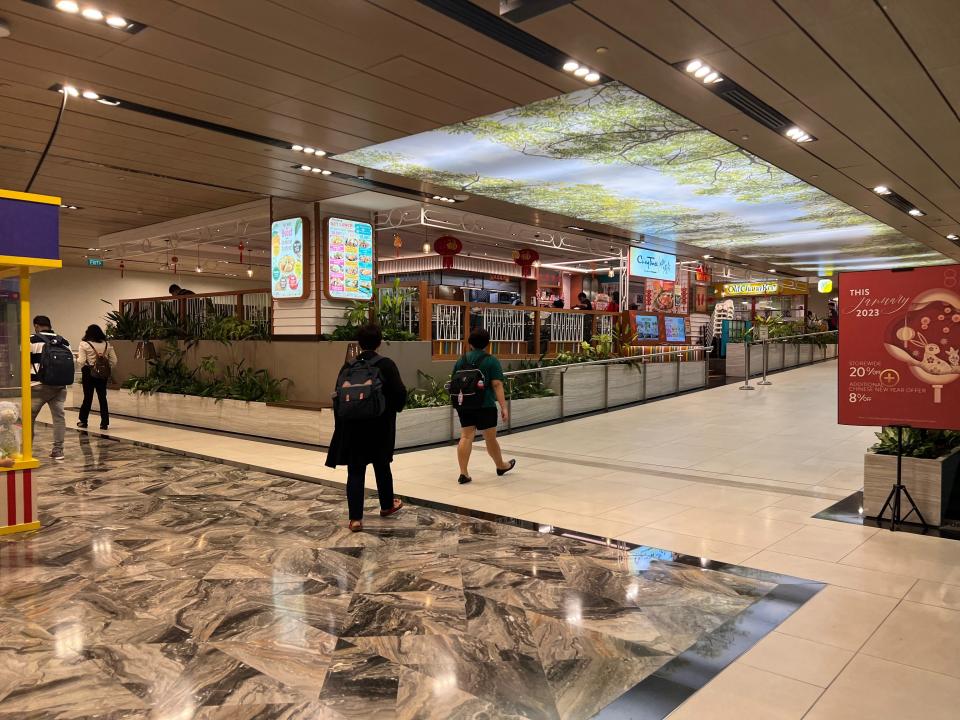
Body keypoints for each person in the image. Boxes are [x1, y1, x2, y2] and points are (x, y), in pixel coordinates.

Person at [325, 324, 406, 532]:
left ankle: (355, 519)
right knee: (382, 465)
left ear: (359, 343)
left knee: (355, 470)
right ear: (379, 342)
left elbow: (338, 397)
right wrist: (393, 409)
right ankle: (387, 505)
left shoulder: (348, 366)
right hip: (380, 426)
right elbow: (399, 394)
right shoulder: (386, 365)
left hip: (352, 427)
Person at [452, 327, 515, 485]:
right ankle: (500, 465)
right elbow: (497, 384)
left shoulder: (462, 359)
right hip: (485, 404)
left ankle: (463, 473)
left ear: (470, 343)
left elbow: (454, 381)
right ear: (487, 343)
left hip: (465, 403)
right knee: (490, 438)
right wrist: (504, 407)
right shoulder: (490, 360)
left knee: (466, 436)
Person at [29, 315, 71, 461]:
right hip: (59, 386)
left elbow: (22, 360)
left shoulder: (31, 339)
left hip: (37, 386)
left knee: (28, 419)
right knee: (59, 418)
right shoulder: (64, 341)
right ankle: (58, 450)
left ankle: (26, 450)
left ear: (36, 325)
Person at [76, 324, 118, 431]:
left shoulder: (84, 344)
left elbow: (81, 361)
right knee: (102, 398)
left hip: (88, 373)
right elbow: (114, 361)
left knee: (88, 397)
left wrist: (77, 359)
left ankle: (83, 421)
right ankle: (104, 423)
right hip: (102, 374)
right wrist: (104, 367)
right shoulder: (107, 344)